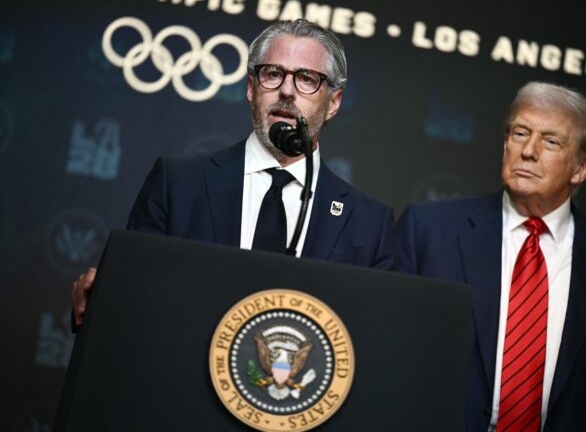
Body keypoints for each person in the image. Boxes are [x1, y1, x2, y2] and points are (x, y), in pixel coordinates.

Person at [72, 19, 397, 328]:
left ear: (334, 102)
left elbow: (375, 334)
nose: (287, 90)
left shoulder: (369, 224)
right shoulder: (178, 183)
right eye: (273, 74)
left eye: (307, 79)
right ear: (252, 88)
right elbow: (129, 299)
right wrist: (101, 298)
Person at [398, 81, 586, 432]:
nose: (528, 151)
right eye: (520, 133)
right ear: (506, 144)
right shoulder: (428, 232)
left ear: (580, 168)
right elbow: (392, 362)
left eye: (551, 141)